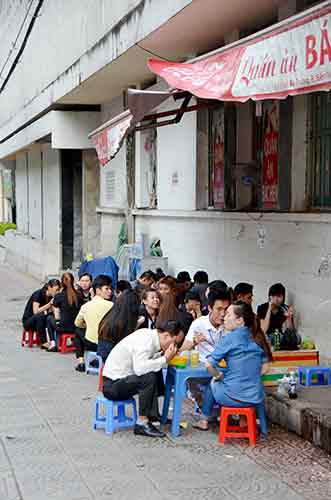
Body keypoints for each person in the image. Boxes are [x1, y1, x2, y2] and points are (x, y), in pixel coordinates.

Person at [193, 302, 269, 433]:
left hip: (232, 397)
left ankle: (204, 420)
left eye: (228, 314)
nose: (224, 317)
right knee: (231, 377)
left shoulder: (229, 338)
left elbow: (209, 364)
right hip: (255, 396)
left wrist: (218, 375)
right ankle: (248, 421)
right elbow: (265, 368)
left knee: (215, 381)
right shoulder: (258, 337)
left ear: (240, 320)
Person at [102, 320, 184, 438]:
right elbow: (140, 369)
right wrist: (165, 359)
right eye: (175, 343)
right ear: (166, 336)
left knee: (155, 368)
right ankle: (142, 423)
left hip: (121, 380)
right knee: (148, 377)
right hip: (112, 386)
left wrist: (162, 358)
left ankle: (153, 415)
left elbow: (147, 362)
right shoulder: (146, 341)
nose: (175, 347)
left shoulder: (149, 337)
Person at [74, 275, 113, 372]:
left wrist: (88, 325)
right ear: (98, 290)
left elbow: (77, 323)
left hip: (91, 344)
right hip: (108, 344)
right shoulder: (112, 305)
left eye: (110, 289)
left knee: (78, 331)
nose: (110, 291)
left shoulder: (85, 306)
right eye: (107, 289)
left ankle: (81, 361)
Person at [181, 289, 232, 361]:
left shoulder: (231, 324)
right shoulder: (198, 324)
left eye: (226, 309)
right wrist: (194, 342)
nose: (223, 314)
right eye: (219, 309)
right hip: (203, 367)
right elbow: (182, 350)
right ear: (210, 308)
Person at [97, 289, 141, 363]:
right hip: (116, 359)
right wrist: (138, 324)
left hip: (105, 355)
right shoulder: (124, 322)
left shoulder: (111, 316)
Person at [47, 272, 83, 352]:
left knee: (49, 318)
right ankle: (73, 341)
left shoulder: (59, 296)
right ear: (73, 281)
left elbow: (57, 316)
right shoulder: (79, 295)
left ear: (62, 283)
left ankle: (53, 344)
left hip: (63, 328)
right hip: (77, 328)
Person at [22, 279, 61, 349]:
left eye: (58, 290)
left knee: (50, 318)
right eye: (56, 290)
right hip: (29, 321)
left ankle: (54, 341)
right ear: (49, 287)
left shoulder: (53, 297)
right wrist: (49, 304)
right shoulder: (38, 294)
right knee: (40, 316)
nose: (57, 292)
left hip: (41, 322)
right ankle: (44, 342)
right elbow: (35, 312)